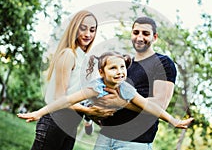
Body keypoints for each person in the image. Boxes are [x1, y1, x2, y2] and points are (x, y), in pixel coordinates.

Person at [87, 16, 192, 150]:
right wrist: (96, 113)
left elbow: (159, 105)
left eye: (145, 33)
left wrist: (121, 102)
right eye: (136, 32)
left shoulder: (163, 63)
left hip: (135, 144)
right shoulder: (124, 66)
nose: (140, 37)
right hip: (106, 138)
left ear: (154, 37)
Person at [20, 10, 115, 150]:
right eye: (83, 28)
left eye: (92, 30)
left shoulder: (85, 59)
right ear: (74, 28)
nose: (88, 34)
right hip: (55, 121)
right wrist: (88, 111)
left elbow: (82, 96)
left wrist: (93, 113)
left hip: (71, 125)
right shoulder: (68, 54)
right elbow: (59, 99)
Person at [17, 51, 193, 129]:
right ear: (102, 73)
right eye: (113, 68)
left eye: (122, 68)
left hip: (106, 108)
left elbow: (148, 105)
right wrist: (39, 113)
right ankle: (88, 120)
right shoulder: (96, 86)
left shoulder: (126, 88)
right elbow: (67, 100)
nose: (120, 72)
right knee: (89, 108)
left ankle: (90, 120)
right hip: (88, 104)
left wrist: (173, 120)